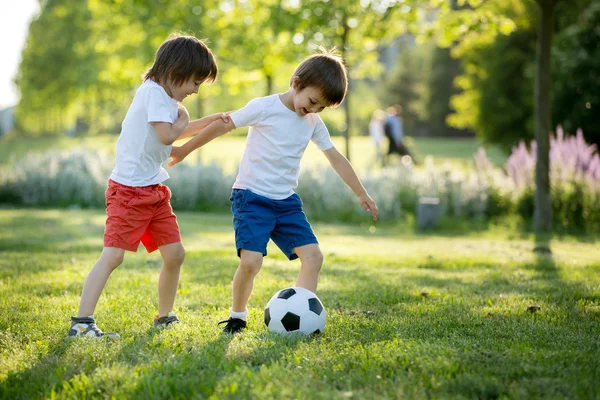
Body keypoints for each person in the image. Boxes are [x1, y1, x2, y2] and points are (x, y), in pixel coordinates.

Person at [169, 48, 379, 334]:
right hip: (251, 198)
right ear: (296, 83)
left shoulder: (313, 123)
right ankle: (237, 316)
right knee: (251, 262)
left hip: (286, 203)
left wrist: (361, 192)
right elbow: (223, 125)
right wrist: (183, 150)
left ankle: (302, 323)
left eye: (321, 108)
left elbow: (336, 158)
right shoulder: (264, 107)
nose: (314, 110)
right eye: (312, 101)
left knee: (314, 258)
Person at [68, 34, 230, 338]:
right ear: (174, 72)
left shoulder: (164, 98)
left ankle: (164, 316)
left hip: (153, 191)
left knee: (175, 254)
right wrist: (185, 122)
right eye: (194, 82)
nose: (195, 90)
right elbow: (169, 136)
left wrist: (214, 121)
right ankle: (81, 322)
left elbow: (174, 130)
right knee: (113, 256)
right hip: (128, 192)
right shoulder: (153, 93)